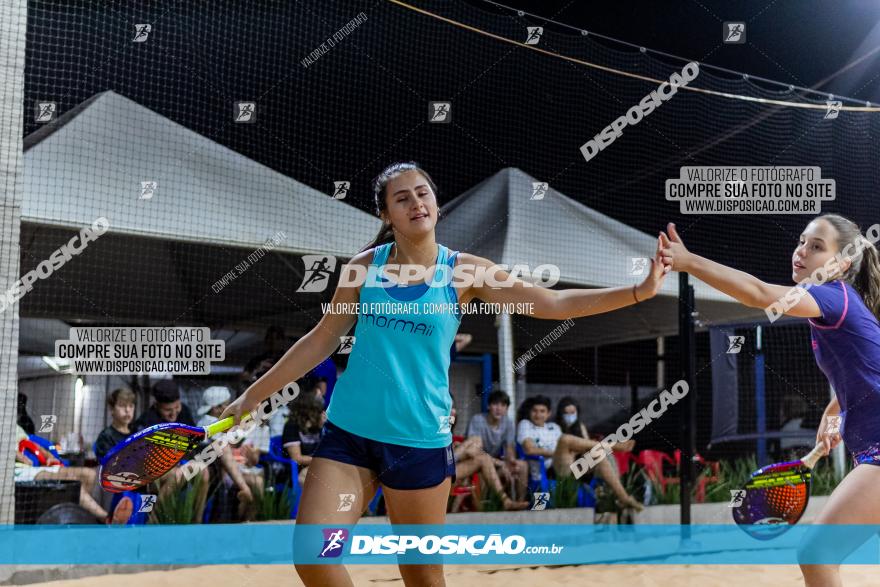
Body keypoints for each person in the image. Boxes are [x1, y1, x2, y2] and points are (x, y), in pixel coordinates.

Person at [221, 161, 666, 586]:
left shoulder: (464, 271)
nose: (416, 202)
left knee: (424, 578)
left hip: (419, 443)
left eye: (422, 193)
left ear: (435, 202)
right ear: (386, 214)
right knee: (313, 556)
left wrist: (638, 290)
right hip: (350, 435)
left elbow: (551, 304)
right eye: (402, 199)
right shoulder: (363, 267)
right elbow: (321, 338)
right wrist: (253, 396)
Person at [659, 214, 880, 587]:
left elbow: (759, 293)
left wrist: (688, 261)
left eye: (816, 247)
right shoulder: (839, 305)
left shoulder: (833, 298)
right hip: (869, 447)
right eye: (801, 241)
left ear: (842, 263)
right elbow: (865, 370)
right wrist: (833, 412)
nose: (801, 252)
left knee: (816, 554)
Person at [517, 395, 641, 510]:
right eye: (535, 411)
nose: (538, 415)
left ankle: (623, 497)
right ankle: (613, 445)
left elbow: (568, 448)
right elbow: (529, 449)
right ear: (530, 412)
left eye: (542, 411)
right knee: (565, 439)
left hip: (568, 467)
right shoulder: (525, 425)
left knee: (598, 455)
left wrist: (573, 452)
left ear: (548, 413)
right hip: (549, 471)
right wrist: (556, 453)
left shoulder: (554, 427)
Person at [14, 425, 123, 523]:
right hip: (18, 471)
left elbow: (32, 444)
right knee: (71, 482)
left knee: (88, 474)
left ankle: (78, 519)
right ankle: (106, 518)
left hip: (36, 467)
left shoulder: (14, 426)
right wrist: (21, 457)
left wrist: (49, 457)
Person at [195, 385, 256, 520]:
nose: (231, 407)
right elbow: (226, 447)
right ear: (217, 408)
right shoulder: (209, 423)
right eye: (228, 405)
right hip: (211, 475)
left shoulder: (212, 421)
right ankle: (244, 489)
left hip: (221, 474)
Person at [465, 389, 528, 501]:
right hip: (476, 462)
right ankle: (483, 508)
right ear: (489, 406)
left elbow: (509, 448)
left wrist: (511, 461)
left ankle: (520, 503)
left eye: (503, 405)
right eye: (495, 404)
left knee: (522, 465)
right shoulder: (478, 420)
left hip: (496, 462)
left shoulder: (508, 423)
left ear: (507, 408)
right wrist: (500, 463)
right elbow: (474, 450)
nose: (499, 408)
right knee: (482, 473)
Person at [282, 394, 325, 486]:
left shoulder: (320, 427)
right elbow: (297, 458)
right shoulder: (291, 426)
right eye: (318, 411)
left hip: (317, 465)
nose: (322, 414)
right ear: (308, 412)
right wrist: (323, 460)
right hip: (297, 470)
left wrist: (325, 428)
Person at [94, 388, 136, 461]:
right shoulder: (106, 437)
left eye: (131, 406)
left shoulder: (137, 433)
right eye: (122, 405)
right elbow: (107, 466)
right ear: (112, 409)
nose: (127, 410)